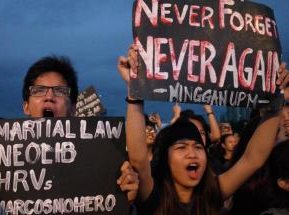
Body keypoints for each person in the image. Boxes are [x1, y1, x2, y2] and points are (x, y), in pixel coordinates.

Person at [118, 44, 285, 214]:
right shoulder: (154, 197)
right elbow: (139, 160)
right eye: (181, 147)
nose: (192, 154)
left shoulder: (212, 194)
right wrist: (135, 91)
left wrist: (276, 100)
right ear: (165, 159)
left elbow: (253, 158)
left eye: (198, 147)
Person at [0, 55, 139, 211]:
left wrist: (124, 198)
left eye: (60, 91)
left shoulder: (101, 157)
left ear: (73, 108)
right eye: (39, 91)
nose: (49, 96)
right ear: (26, 106)